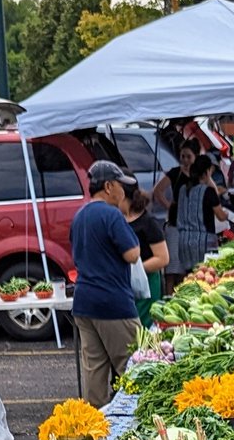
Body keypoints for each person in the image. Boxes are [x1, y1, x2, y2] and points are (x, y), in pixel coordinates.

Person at [69, 160, 143, 403]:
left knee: (95, 371)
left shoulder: (80, 216)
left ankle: (96, 429)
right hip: (113, 303)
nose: (125, 192)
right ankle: (134, 423)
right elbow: (132, 254)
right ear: (109, 186)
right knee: (132, 367)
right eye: (122, 186)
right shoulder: (112, 215)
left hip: (84, 304)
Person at [169, 153, 233, 283]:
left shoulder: (182, 189)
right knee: (204, 278)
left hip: (184, 241)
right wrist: (227, 215)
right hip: (203, 243)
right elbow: (221, 216)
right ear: (207, 172)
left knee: (189, 278)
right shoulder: (208, 191)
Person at [124, 184, 170, 325]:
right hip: (123, 283)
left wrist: (135, 270)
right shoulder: (117, 219)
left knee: (142, 327)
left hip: (147, 283)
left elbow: (162, 258)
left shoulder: (148, 222)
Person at [151, 139, 195, 219]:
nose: (185, 160)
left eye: (189, 157)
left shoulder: (201, 173)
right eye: (183, 156)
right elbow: (157, 190)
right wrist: (170, 208)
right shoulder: (175, 172)